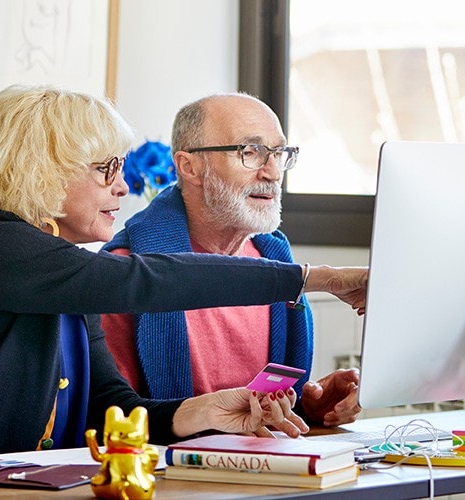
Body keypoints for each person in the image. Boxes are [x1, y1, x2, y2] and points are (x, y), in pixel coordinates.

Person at [0, 85, 368, 459]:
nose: (122, 187)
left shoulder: (67, 272)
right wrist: (315, 277)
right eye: (105, 169)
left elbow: (109, 407)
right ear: (41, 170)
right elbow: (144, 280)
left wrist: (197, 412)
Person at [101, 93, 362, 428]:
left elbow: (262, 412)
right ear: (189, 166)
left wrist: (312, 408)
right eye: (250, 152)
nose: (272, 173)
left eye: (278, 153)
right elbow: (112, 418)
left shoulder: (275, 260)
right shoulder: (128, 273)